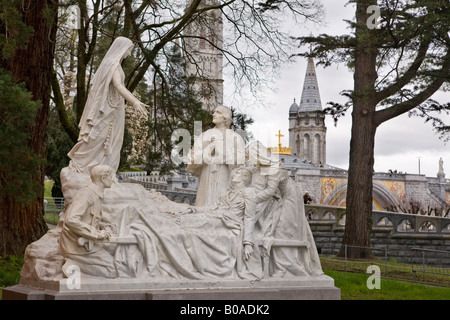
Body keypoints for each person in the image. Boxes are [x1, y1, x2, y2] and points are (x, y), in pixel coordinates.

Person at [114, 166, 263, 281]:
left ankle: (160, 226)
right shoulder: (228, 193)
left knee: (192, 222)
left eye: (237, 174)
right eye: (235, 173)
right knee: (184, 217)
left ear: (244, 177)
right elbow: (211, 208)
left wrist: (247, 242)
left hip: (227, 222)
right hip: (214, 216)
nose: (233, 175)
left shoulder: (249, 193)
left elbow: (249, 217)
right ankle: (157, 225)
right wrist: (191, 210)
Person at [67, 37, 148, 176]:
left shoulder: (113, 65)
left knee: (112, 140)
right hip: (109, 109)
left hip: (115, 108)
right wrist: (134, 102)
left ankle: (105, 174)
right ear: (121, 49)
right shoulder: (113, 65)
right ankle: (85, 168)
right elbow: (118, 86)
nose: (128, 54)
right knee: (100, 139)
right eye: (128, 50)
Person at [59, 165, 118, 279]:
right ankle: (73, 264)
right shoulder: (86, 194)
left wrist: (104, 227)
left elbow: (89, 219)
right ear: (103, 178)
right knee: (112, 270)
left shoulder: (96, 195)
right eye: (111, 177)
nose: (113, 180)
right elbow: (71, 219)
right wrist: (96, 233)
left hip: (88, 243)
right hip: (75, 244)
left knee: (117, 259)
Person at [187, 105, 245, 206]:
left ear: (225, 117)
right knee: (203, 207)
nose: (214, 114)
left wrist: (222, 153)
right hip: (206, 176)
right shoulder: (204, 135)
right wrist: (209, 148)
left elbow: (242, 162)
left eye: (218, 112)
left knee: (222, 207)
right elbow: (192, 160)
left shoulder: (235, 137)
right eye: (214, 112)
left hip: (225, 177)